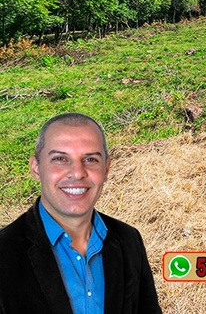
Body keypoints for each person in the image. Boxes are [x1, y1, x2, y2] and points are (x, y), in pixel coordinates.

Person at [0, 112, 162, 314]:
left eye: (91, 159)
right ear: (36, 167)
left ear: (106, 168)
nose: (77, 173)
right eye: (60, 158)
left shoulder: (129, 240)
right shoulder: (4, 252)